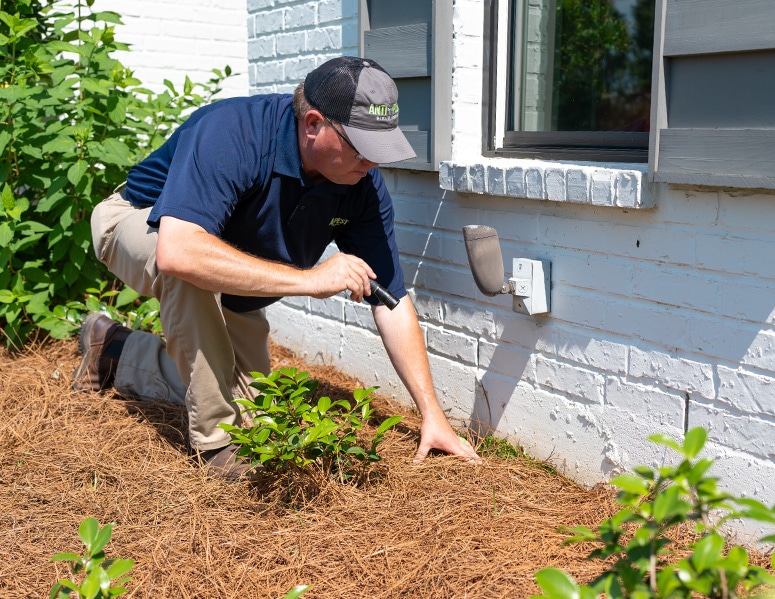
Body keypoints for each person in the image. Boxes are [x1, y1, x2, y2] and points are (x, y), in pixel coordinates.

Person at [73, 56, 480, 479]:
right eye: (362, 147)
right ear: (313, 124)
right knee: (188, 272)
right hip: (142, 220)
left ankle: (115, 350)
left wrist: (432, 414)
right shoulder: (233, 132)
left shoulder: (360, 184)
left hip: (228, 263)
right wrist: (310, 280)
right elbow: (178, 252)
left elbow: (392, 301)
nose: (374, 163)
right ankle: (215, 444)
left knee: (253, 410)